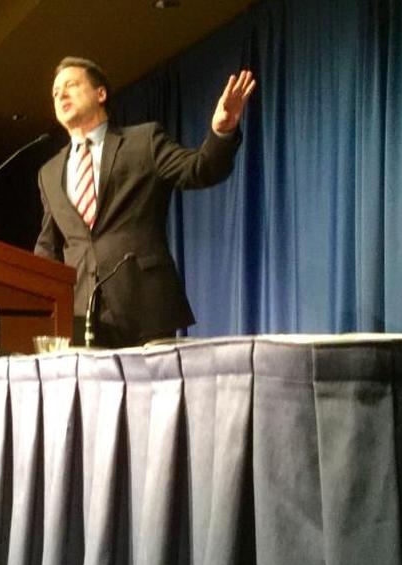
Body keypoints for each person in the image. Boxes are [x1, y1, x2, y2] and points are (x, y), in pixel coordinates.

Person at [35, 56, 256, 347]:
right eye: (55, 92)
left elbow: (200, 170)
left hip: (145, 307)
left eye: (71, 85)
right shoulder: (49, 173)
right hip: (80, 316)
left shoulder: (143, 141)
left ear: (101, 94)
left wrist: (222, 131)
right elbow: (48, 246)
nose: (61, 94)